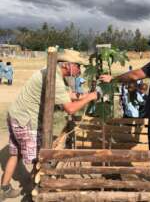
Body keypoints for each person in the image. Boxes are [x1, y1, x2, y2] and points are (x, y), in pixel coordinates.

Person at [0, 48, 98, 200]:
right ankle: (35, 192)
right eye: (78, 65)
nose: (80, 69)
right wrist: (90, 97)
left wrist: (85, 95)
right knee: (40, 157)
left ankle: (4, 188)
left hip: (16, 115)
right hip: (26, 120)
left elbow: (68, 95)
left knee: (16, 154)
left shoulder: (53, 72)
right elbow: (70, 109)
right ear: (67, 65)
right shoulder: (55, 78)